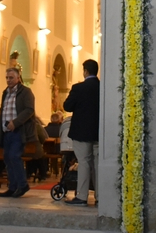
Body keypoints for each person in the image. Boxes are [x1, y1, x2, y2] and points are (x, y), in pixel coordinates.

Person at [62, 59, 100, 206]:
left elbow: (67, 106)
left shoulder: (78, 88)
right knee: (97, 163)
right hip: (98, 132)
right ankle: (100, 196)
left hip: (81, 132)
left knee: (84, 162)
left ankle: (82, 196)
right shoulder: (102, 87)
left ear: (85, 71)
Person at [0, 67, 37, 198]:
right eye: (7, 77)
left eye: (11, 77)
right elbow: (2, 110)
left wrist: (16, 122)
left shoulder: (25, 92)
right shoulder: (5, 93)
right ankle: (12, 187)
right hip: (6, 131)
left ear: (18, 78)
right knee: (7, 158)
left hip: (19, 131)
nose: (8, 80)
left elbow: (29, 110)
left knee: (14, 156)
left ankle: (22, 185)